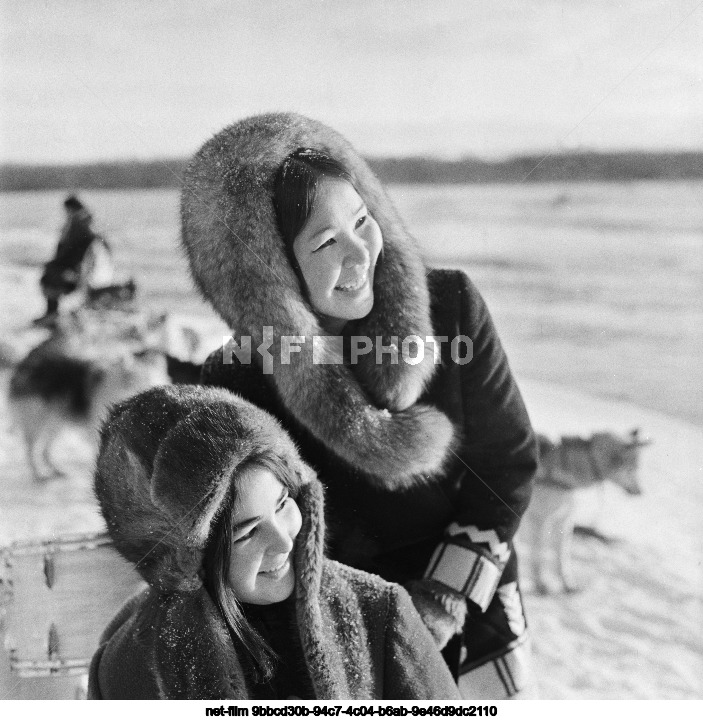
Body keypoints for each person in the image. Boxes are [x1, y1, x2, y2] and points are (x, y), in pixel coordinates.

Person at [181, 113, 539, 698]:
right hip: (335, 628)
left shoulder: (450, 308)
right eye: (326, 242)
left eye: (363, 220)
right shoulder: (237, 375)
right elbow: (244, 530)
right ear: (268, 277)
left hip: (468, 599)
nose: (359, 252)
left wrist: (445, 597)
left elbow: (508, 464)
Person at [87, 385, 460, 700]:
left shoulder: (380, 615)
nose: (283, 541)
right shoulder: (128, 670)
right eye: (247, 532)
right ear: (185, 562)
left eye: (283, 503)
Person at [34, 195, 111, 326]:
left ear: (71, 208)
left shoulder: (80, 224)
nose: (66, 213)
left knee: (51, 279)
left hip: (76, 269)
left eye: (67, 210)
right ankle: (53, 313)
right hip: (75, 267)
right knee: (50, 277)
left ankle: (53, 314)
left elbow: (79, 249)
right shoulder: (81, 223)